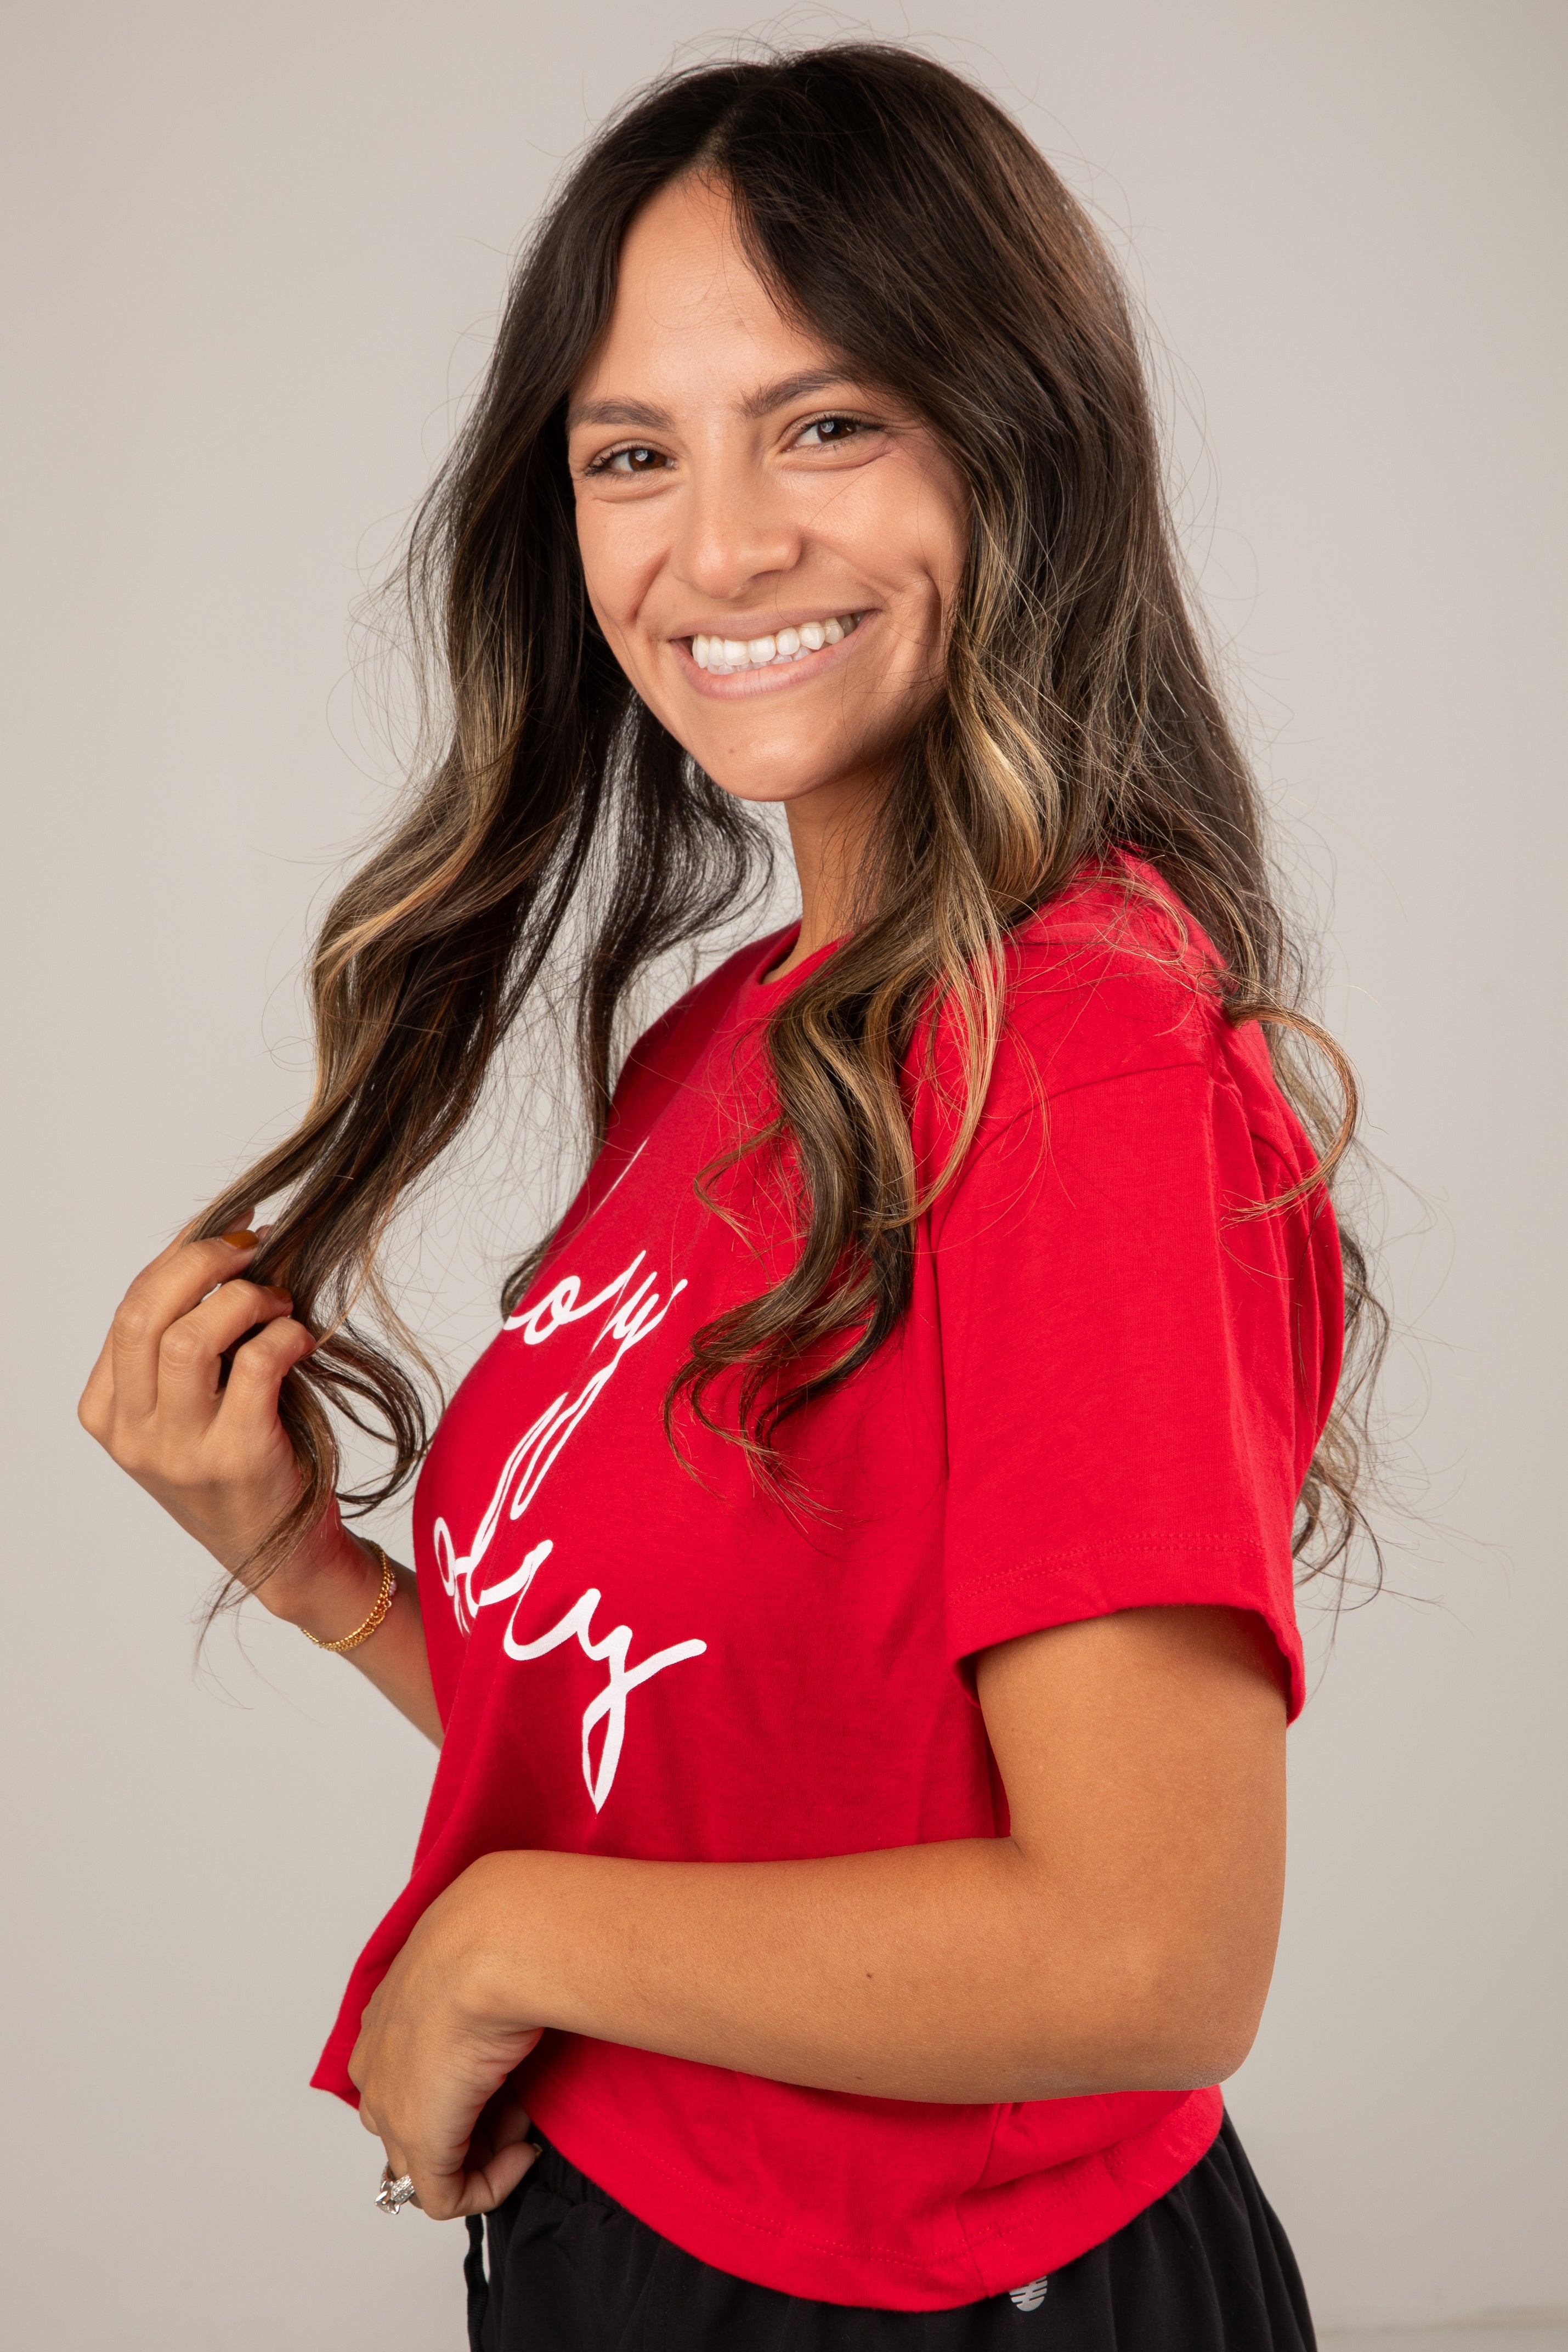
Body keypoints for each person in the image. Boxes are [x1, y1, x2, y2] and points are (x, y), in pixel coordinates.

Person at [78, 43, 1379, 2351]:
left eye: (829, 421)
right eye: (631, 455)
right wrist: (311, 1573)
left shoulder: (1074, 1049)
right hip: (636, 2255)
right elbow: (714, 1763)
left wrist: (495, 1939)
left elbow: (1147, 1952)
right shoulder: (742, 1036)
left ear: (1017, 442)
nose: (722, 545)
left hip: (943, 2307)